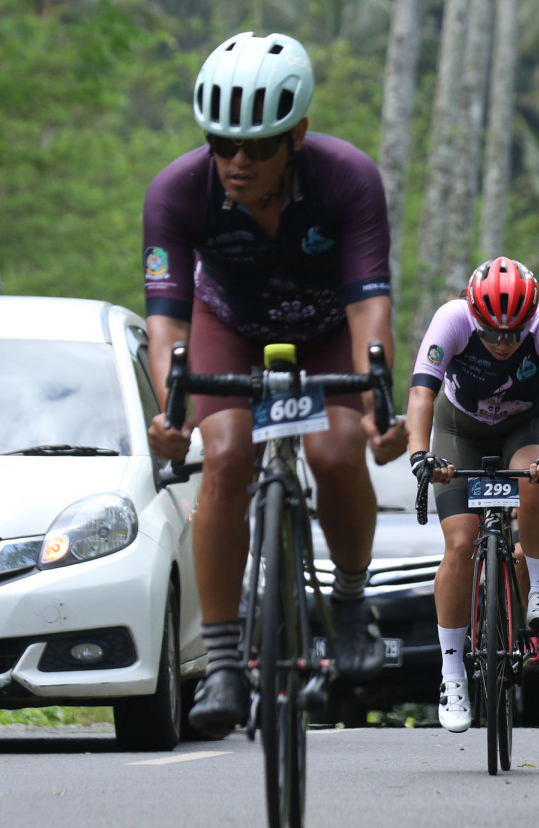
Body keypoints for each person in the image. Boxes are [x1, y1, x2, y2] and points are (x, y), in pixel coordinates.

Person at [141, 31, 407, 738]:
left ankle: (349, 604)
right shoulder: (175, 191)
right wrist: (172, 413)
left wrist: (379, 404)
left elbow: (369, 311)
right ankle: (224, 664)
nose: (237, 161)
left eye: (257, 147)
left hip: (325, 331)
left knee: (336, 451)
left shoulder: (348, 178)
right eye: (222, 143)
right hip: (227, 325)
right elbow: (166, 325)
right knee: (227, 455)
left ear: (297, 136)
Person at [406, 256, 539, 733]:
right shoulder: (451, 318)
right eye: (491, 333)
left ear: (531, 318)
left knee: (536, 476)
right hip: (459, 429)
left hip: (525, 424)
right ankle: (452, 675)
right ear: (473, 317)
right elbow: (421, 393)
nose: (503, 343)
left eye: (514, 333)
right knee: (461, 544)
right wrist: (421, 456)